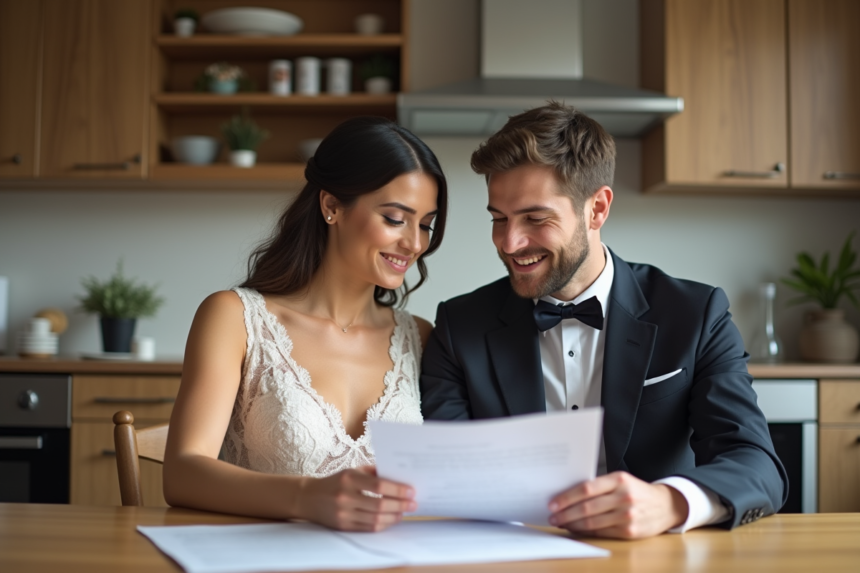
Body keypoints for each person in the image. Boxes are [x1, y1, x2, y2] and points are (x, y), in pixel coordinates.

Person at [420, 102, 787, 539]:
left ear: (597, 209)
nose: (510, 242)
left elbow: (756, 463)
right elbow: (447, 476)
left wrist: (670, 503)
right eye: (499, 219)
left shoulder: (696, 314)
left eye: (535, 218)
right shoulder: (459, 326)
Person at [164, 116, 447, 532]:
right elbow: (182, 473)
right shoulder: (234, 317)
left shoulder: (419, 337)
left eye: (425, 225)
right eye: (394, 218)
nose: (415, 243)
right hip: (263, 556)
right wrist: (305, 498)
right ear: (331, 206)